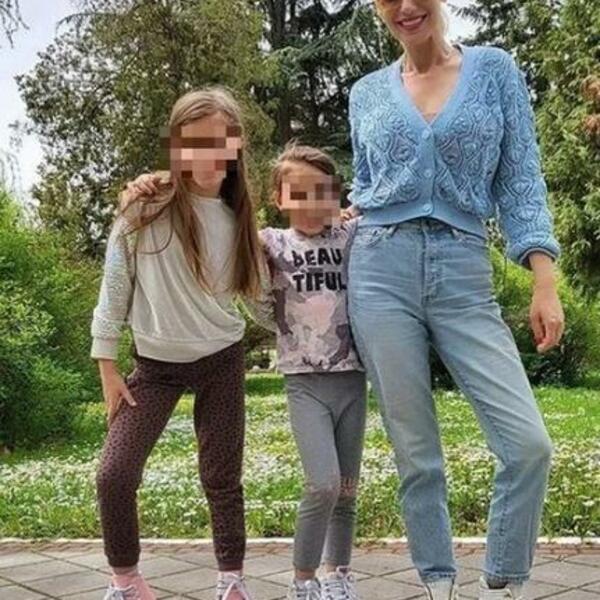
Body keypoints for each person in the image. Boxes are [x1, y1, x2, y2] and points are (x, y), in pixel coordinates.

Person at [345, 1, 565, 599]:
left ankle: (504, 579)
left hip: (463, 267)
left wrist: (543, 279)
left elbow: (521, 178)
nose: (404, 7)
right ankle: (437, 582)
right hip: (378, 267)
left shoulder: (494, 70)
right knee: (416, 453)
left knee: (528, 445)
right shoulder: (366, 93)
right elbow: (364, 186)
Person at [91, 87, 262, 600]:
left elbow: (258, 300)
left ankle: (231, 582)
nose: (207, 155)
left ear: (235, 144)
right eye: (194, 143)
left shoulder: (238, 219)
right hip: (155, 367)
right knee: (114, 474)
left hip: (221, 360)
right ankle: (126, 582)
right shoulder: (145, 207)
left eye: (218, 141)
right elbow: (115, 286)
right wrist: (107, 365)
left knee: (222, 477)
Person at [248, 143, 367, 600]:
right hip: (304, 381)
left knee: (347, 489)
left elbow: (380, 199)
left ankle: (339, 575)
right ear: (278, 198)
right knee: (323, 484)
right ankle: (303, 581)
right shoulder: (271, 242)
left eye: (321, 191)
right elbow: (256, 302)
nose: (311, 201)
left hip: (352, 377)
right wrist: (283, 323)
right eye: (298, 192)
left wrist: (352, 210)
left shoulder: (349, 235)